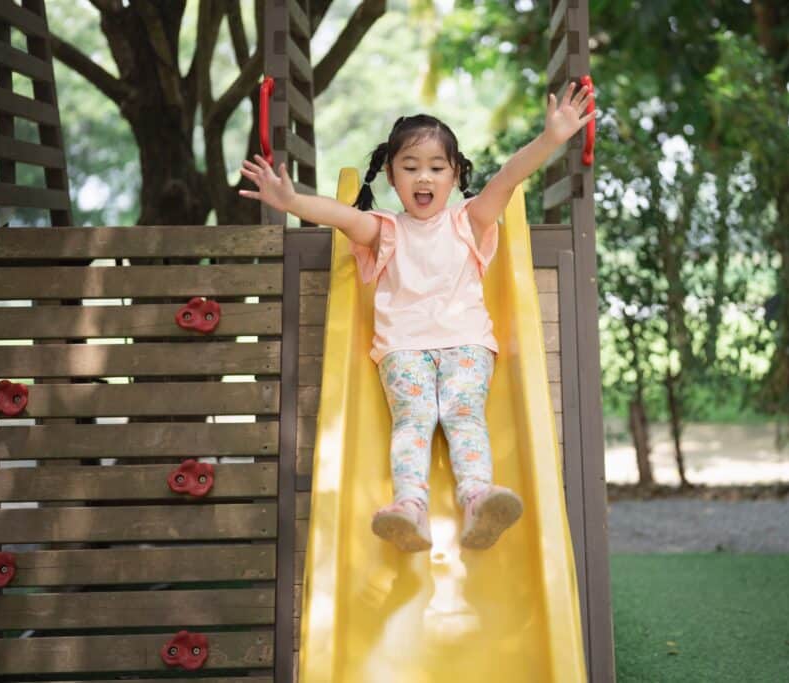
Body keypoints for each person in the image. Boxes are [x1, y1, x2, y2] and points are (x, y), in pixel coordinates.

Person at [239, 82, 596, 552]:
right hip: (403, 349)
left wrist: (551, 139)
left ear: (455, 175)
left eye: (436, 167)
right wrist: (293, 203)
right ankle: (410, 508)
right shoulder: (386, 230)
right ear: (391, 175)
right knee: (414, 417)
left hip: (467, 344)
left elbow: (509, 178)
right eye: (410, 167)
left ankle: (477, 500)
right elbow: (341, 218)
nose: (423, 178)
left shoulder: (468, 220)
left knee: (463, 413)